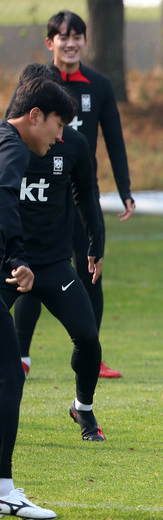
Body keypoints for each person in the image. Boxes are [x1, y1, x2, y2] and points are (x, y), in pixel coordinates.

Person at [10, 9, 135, 379]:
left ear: (85, 41)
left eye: (77, 36)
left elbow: (114, 138)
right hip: (38, 194)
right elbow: (9, 136)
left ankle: (92, 354)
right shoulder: (31, 87)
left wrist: (125, 188)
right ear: (51, 43)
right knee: (32, 265)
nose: (71, 42)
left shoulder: (99, 85)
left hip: (79, 191)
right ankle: (20, 354)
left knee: (89, 268)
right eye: (63, 36)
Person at [3, 63, 106, 444]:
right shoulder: (9, 144)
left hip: (51, 264)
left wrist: (96, 242)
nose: (59, 132)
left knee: (88, 338)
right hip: (10, 265)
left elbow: (86, 194)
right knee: (10, 358)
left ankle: (83, 406)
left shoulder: (72, 145)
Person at [0, 76, 76, 520]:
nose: (60, 135)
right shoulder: (12, 147)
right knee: (9, 373)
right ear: (35, 117)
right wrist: (17, 257)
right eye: (56, 125)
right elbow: (5, 198)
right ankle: (4, 488)